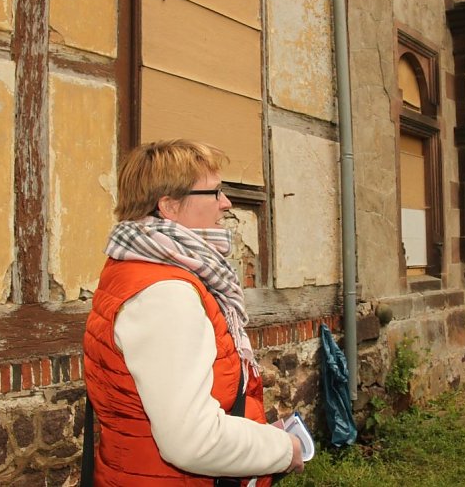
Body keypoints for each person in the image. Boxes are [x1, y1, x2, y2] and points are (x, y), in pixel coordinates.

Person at [83, 139, 303, 485]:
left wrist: (252, 433)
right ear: (169, 206)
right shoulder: (165, 293)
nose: (226, 203)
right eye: (214, 192)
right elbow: (192, 441)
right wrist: (282, 448)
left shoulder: (140, 264)